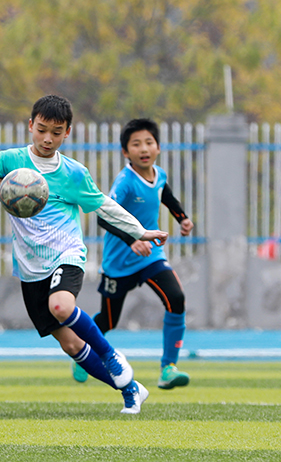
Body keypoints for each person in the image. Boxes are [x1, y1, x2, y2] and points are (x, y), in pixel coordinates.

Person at [0, 95, 168, 415]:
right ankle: (130, 389)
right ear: (31, 125)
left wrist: (139, 231)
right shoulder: (9, 161)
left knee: (61, 306)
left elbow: (103, 204)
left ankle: (112, 356)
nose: (48, 138)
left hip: (67, 253)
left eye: (56, 132)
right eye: (42, 129)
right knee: (71, 345)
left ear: (67, 133)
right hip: (31, 268)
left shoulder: (74, 174)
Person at [71, 118, 193, 389]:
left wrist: (182, 218)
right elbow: (104, 217)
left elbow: (166, 197)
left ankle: (168, 368)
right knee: (109, 320)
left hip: (150, 256)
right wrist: (132, 239)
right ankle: (81, 351)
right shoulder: (125, 182)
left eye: (149, 142)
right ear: (126, 152)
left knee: (176, 298)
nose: (144, 148)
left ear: (158, 147)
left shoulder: (159, 174)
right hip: (119, 262)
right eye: (136, 144)